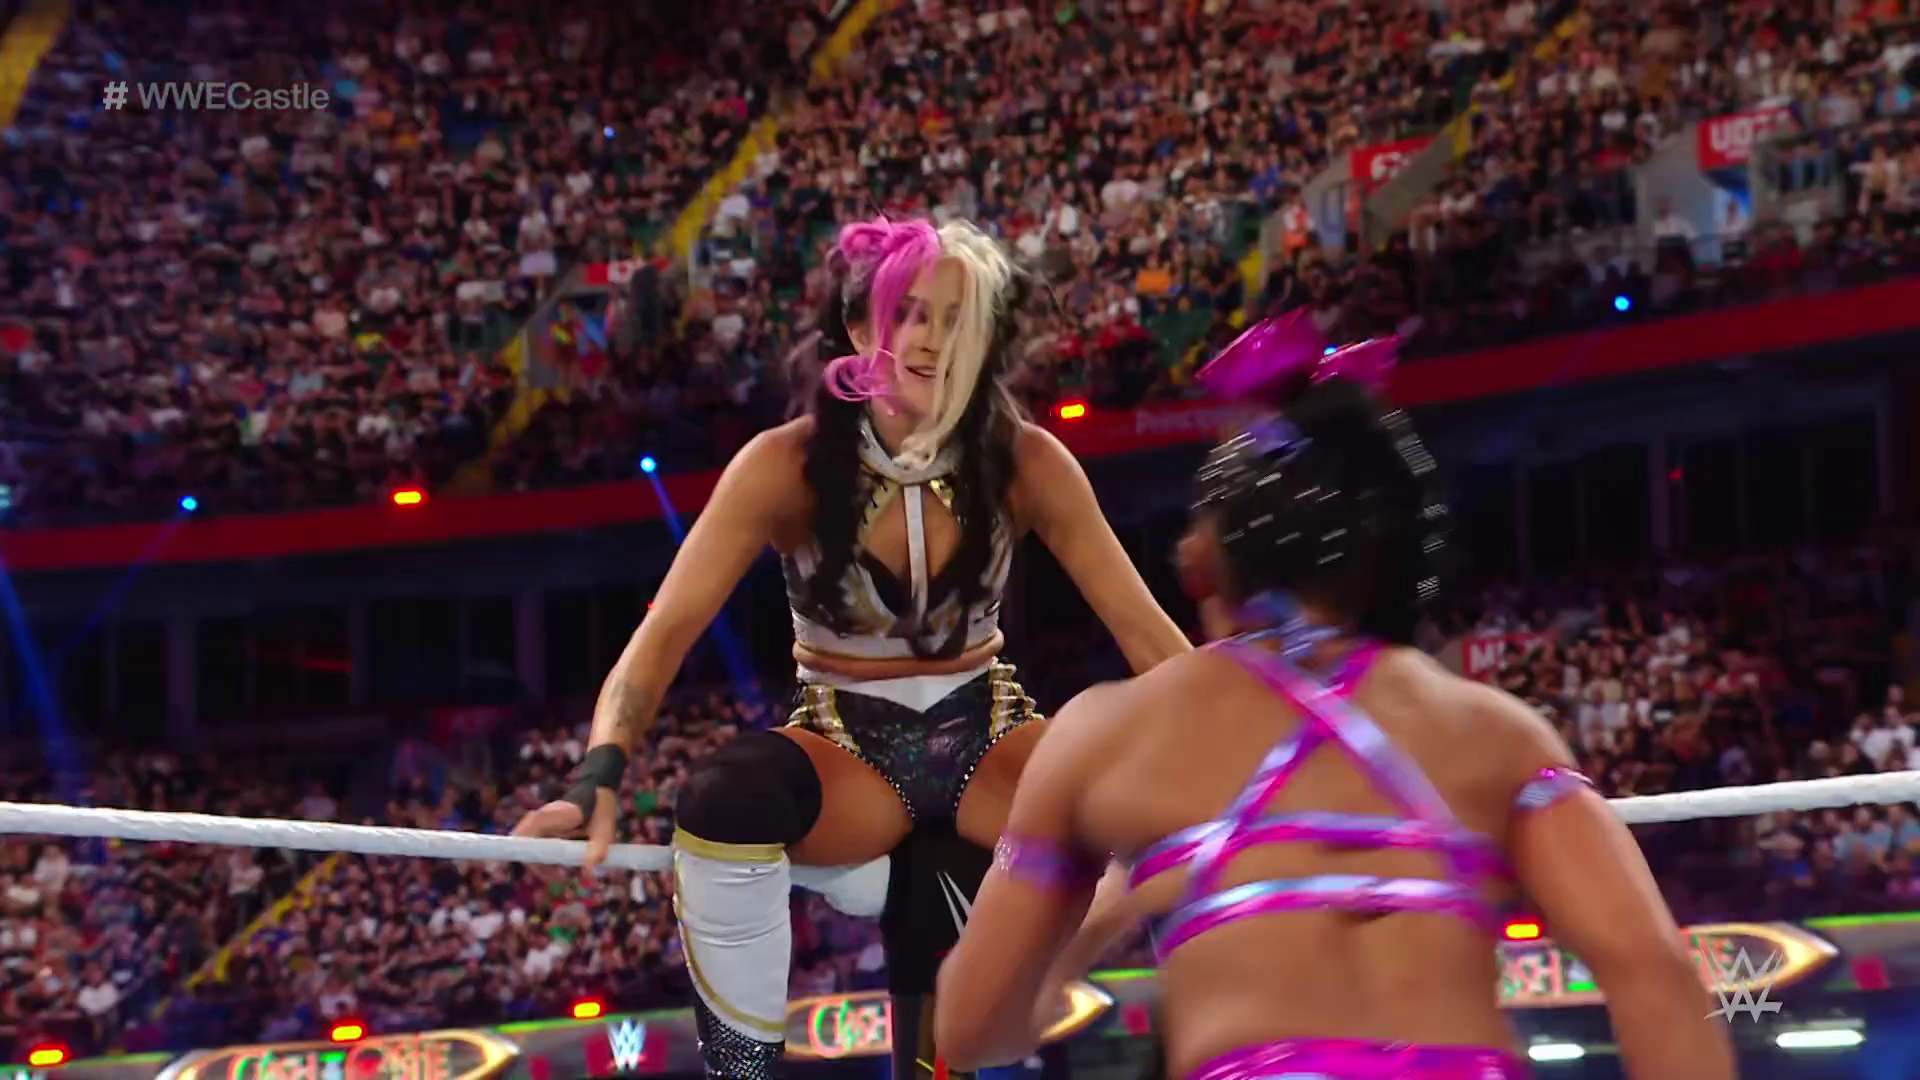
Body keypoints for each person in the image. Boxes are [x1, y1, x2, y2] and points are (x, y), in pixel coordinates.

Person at [931, 334, 1737, 1079]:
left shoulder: (1109, 737)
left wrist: (1104, 914)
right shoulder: (1496, 733)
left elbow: (971, 1029)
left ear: (1205, 555)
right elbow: (1656, 974)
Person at [512, 217, 1192, 1080]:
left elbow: (1148, 635)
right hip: (849, 755)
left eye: (957, 319)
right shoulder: (783, 466)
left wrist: (1251, 763)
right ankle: (740, 1073)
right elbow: (662, 637)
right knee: (722, 801)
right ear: (861, 328)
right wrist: (598, 773)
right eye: (912, 314)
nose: (934, 340)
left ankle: (1225, 1044)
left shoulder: (1028, 459)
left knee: (1148, 804)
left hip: (991, 747)